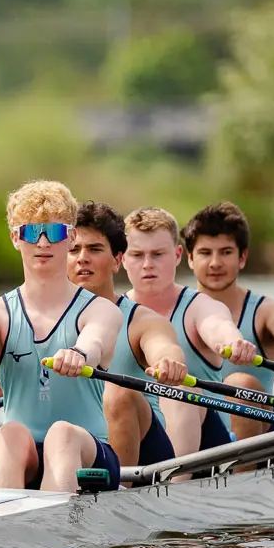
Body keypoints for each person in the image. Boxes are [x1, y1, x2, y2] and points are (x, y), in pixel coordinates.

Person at [0, 180, 123, 492]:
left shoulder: (101, 310)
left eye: (55, 232)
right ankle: (1, 524)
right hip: (21, 456)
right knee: (10, 434)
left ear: (70, 238)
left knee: (61, 433)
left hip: (88, 454)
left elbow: (95, 342)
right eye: (32, 232)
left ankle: (48, 527)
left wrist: (80, 354)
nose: (43, 242)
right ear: (15, 239)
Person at [121, 206, 258, 459]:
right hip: (140, 438)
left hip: (206, 448)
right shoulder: (108, 312)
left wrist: (233, 342)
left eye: (158, 254)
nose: (147, 265)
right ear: (122, 259)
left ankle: (174, 484)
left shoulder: (200, 306)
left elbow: (217, 325)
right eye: (137, 255)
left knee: (181, 391)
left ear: (177, 255)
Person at [182, 201, 274, 441]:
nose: (215, 263)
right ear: (189, 258)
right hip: (192, 433)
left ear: (242, 257)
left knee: (240, 382)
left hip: (254, 439)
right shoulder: (175, 308)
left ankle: (242, 473)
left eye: (226, 252)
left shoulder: (266, 310)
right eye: (205, 253)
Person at [66, 201, 187, 469]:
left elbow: (164, 346)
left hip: (146, 453)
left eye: (95, 249)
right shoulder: (44, 320)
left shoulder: (141, 321)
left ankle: (117, 492)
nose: (82, 257)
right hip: (72, 442)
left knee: (118, 394)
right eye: (73, 249)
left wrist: (167, 362)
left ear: (117, 260)